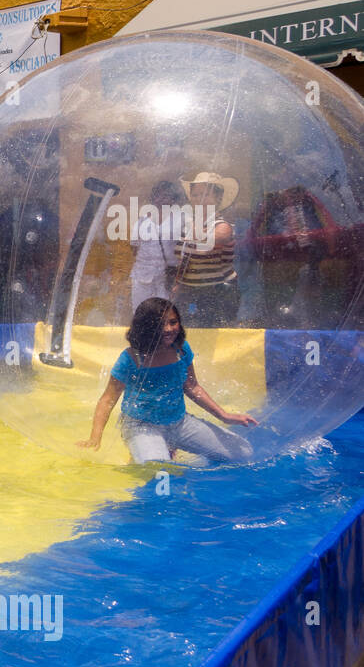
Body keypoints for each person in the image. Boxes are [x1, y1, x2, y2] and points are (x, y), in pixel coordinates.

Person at [78, 297, 258, 464]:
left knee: (243, 452)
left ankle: (167, 445)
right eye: (160, 324)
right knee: (160, 470)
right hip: (142, 426)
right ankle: (145, 449)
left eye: (173, 322)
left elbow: (192, 386)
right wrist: (95, 435)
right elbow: (108, 399)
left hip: (178, 423)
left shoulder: (181, 349)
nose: (168, 329)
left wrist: (224, 415)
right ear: (146, 327)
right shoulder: (132, 358)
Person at [173, 172, 240, 326]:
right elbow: (185, 258)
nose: (199, 199)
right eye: (195, 195)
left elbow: (218, 238)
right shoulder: (189, 225)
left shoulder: (222, 225)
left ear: (218, 198)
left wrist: (192, 225)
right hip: (190, 292)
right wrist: (179, 283)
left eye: (205, 194)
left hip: (216, 293)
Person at [130, 180, 184, 310]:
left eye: (166, 196)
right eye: (158, 195)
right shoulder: (142, 220)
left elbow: (185, 250)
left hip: (166, 278)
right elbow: (134, 248)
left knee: (165, 314)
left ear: (173, 199)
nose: (161, 200)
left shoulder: (181, 219)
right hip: (142, 277)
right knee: (140, 312)